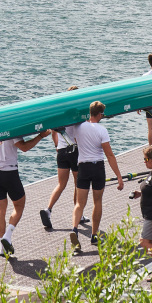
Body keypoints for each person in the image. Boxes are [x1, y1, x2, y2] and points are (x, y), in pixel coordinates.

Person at [0, 130, 50, 256]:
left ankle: (2, 247)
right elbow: (24, 147)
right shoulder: (11, 130)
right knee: (19, 206)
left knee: (0, 210)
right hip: (10, 173)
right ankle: (7, 236)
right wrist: (40, 136)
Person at [67, 100, 125, 252]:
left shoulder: (78, 127)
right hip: (97, 167)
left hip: (83, 168)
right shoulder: (102, 130)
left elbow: (72, 139)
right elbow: (109, 155)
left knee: (80, 203)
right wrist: (119, 176)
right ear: (99, 114)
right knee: (97, 201)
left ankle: (74, 229)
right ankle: (94, 235)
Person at [40, 87, 82, 232]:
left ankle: (48, 209)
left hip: (62, 151)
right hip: (74, 150)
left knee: (61, 184)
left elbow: (53, 132)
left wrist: (57, 146)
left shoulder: (60, 114)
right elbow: (78, 134)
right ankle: (79, 214)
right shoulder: (77, 114)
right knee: (78, 184)